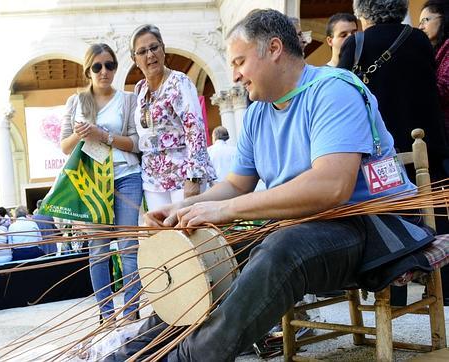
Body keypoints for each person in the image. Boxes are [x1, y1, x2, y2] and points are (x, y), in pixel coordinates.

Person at [108, 9, 434, 361]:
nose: (234, 74)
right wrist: (182, 208)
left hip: (368, 227)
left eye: (239, 61)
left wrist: (225, 210)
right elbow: (236, 183)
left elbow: (331, 186)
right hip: (303, 226)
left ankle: (189, 357)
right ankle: (138, 349)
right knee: (203, 250)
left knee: (281, 248)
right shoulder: (258, 113)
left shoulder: (332, 91)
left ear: (274, 48)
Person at [339, 0, 449, 305]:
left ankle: (394, 295)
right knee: (436, 212)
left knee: (393, 215)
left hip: (382, 150)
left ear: (362, 12)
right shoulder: (417, 38)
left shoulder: (355, 44)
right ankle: (445, 292)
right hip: (427, 141)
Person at [60, 43, 143, 322]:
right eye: (97, 66)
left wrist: (103, 135)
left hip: (127, 177)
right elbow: (64, 146)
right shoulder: (76, 102)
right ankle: (106, 315)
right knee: (98, 250)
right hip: (93, 181)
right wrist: (83, 134)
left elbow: (135, 143)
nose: (104, 71)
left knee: (128, 247)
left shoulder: (128, 100)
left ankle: (131, 313)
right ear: (88, 70)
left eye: (110, 65)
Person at [130, 25, 215, 211]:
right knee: (165, 237)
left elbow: (195, 129)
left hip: (183, 176)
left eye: (154, 47)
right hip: (152, 180)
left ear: (163, 48)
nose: (150, 55)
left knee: (190, 234)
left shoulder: (179, 82)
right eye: (142, 51)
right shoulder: (140, 89)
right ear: (135, 59)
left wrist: (194, 177)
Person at [419, 0, 449, 306]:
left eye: (427, 19)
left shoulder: (448, 50)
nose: (421, 24)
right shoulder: (433, 51)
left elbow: (442, 88)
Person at [419, 0, 449, 141]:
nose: (421, 27)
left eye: (425, 20)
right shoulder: (436, 50)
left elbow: (443, 89)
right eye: (419, 23)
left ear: (443, 18)